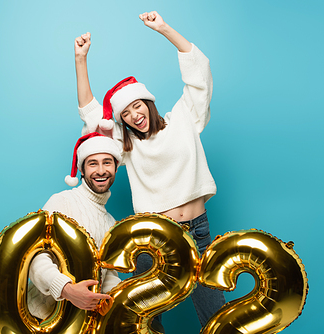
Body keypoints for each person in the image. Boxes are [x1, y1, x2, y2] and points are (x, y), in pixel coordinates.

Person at [73, 11, 226, 329]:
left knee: (214, 312)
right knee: (144, 318)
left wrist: (164, 29)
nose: (133, 115)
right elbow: (90, 116)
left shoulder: (185, 118)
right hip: (153, 235)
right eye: (125, 113)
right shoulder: (127, 146)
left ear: (147, 102)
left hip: (198, 230)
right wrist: (80, 60)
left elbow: (200, 73)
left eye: (137, 106)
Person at [27, 132, 122, 320]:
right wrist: (66, 289)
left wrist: (109, 300)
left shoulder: (111, 222)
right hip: (40, 319)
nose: (101, 170)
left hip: (81, 323)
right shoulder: (62, 201)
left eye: (107, 162)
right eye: (93, 163)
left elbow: (109, 272)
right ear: (82, 170)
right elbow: (34, 255)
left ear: (116, 168)